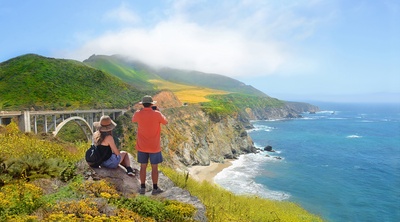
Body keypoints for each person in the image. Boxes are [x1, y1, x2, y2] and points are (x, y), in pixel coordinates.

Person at [132, 95, 168, 195]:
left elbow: (133, 120)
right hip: (154, 146)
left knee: (143, 167)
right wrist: (158, 111)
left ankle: (142, 187)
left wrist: (141, 111)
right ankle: (155, 188)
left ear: (142, 104)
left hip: (142, 146)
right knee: (154, 168)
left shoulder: (138, 114)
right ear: (152, 104)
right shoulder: (157, 114)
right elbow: (166, 122)